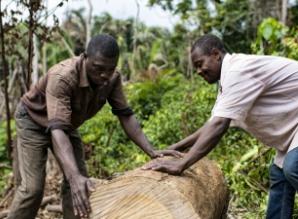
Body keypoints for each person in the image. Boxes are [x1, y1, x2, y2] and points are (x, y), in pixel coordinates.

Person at [144, 34, 298, 218]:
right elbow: (212, 123)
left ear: (216, 54)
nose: (199, 71)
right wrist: (175, 148)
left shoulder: (237, 72)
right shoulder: (228, 79)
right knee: (279, 174)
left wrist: (181, 164)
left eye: (200, 64)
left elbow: (219, 125)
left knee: (295, 167)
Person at [8, 34, 181, 219]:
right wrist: (73, 177)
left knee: (79, 182)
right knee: (32, 189)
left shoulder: (112, 79)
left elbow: (125, 114)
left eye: (110, 69)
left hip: (65, 124)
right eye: (98, 68)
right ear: (85, 57)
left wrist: (152, 151)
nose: (105, 75)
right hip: (33, 120)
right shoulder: (63, 76)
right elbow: (57, 130)